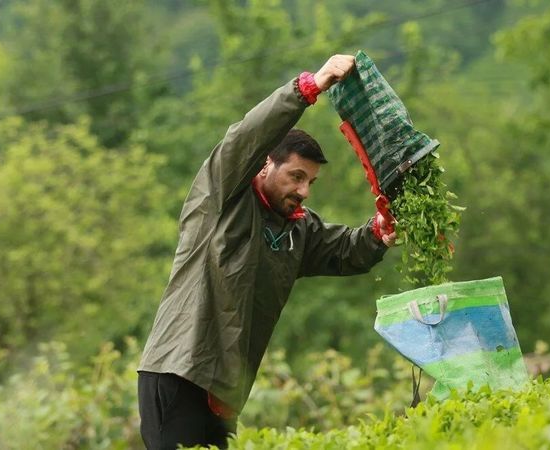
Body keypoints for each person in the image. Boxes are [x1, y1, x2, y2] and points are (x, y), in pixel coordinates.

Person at [137, 54, 396, 449]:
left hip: (224, 392)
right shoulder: (222, 198)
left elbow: (344, 250)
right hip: (179, 373)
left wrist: (380, 231)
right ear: (263, 167)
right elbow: (244, 138)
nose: (304, 190)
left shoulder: (298, 229)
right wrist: (307, 89)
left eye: (310, 181)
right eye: (296, 176)